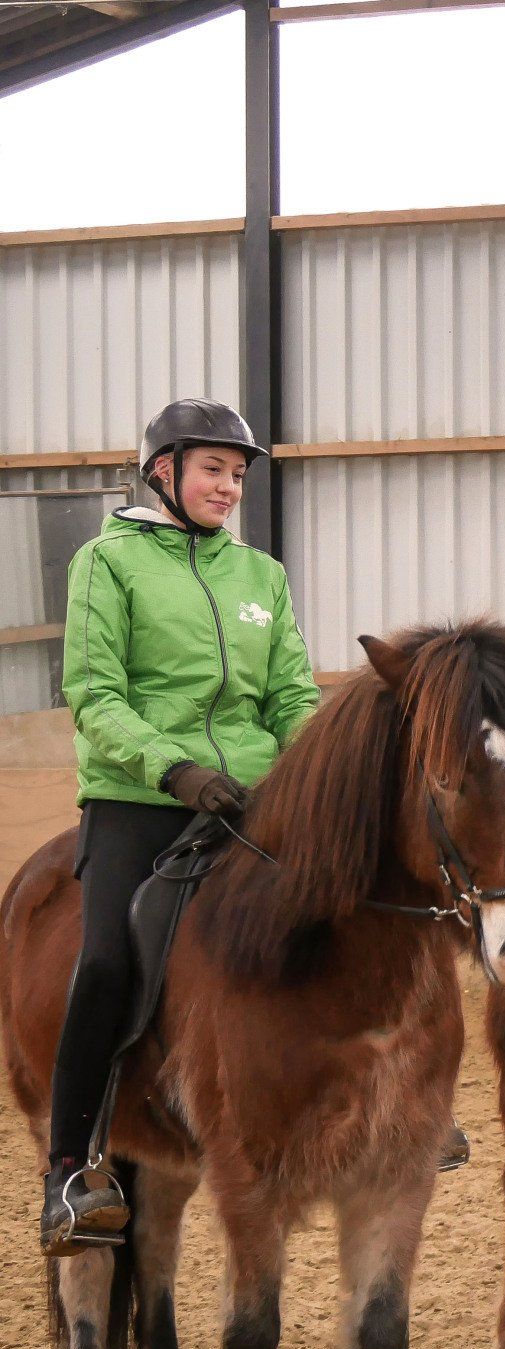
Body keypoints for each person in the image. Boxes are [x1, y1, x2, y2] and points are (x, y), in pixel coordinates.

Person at [41, 399, 320, 1256]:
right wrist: (174, 769)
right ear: (163, 472)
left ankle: (382, 1105)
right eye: (213, 471)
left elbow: (293, 696)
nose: (229, 488)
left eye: (237, 476)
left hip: (250, 799)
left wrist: (309, 774)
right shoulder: (106, 563)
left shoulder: (261, 576)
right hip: (140, 797)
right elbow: (94, 694)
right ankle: (71, 1167)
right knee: (105, 959)